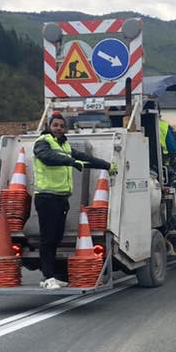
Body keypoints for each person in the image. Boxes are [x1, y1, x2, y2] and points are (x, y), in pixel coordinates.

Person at [33, 112, 114, 289]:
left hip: (61, 197)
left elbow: (86, 159)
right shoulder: (42, 142)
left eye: (62, 126)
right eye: (55, 125)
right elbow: (48, 158)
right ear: (49, 126)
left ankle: (53, 276)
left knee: (57, 237)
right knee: (48, 238)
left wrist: (107, 166)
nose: (59, 128)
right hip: (46, 197)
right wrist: (71, 161)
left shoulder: (65, 146)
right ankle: (48, 277)